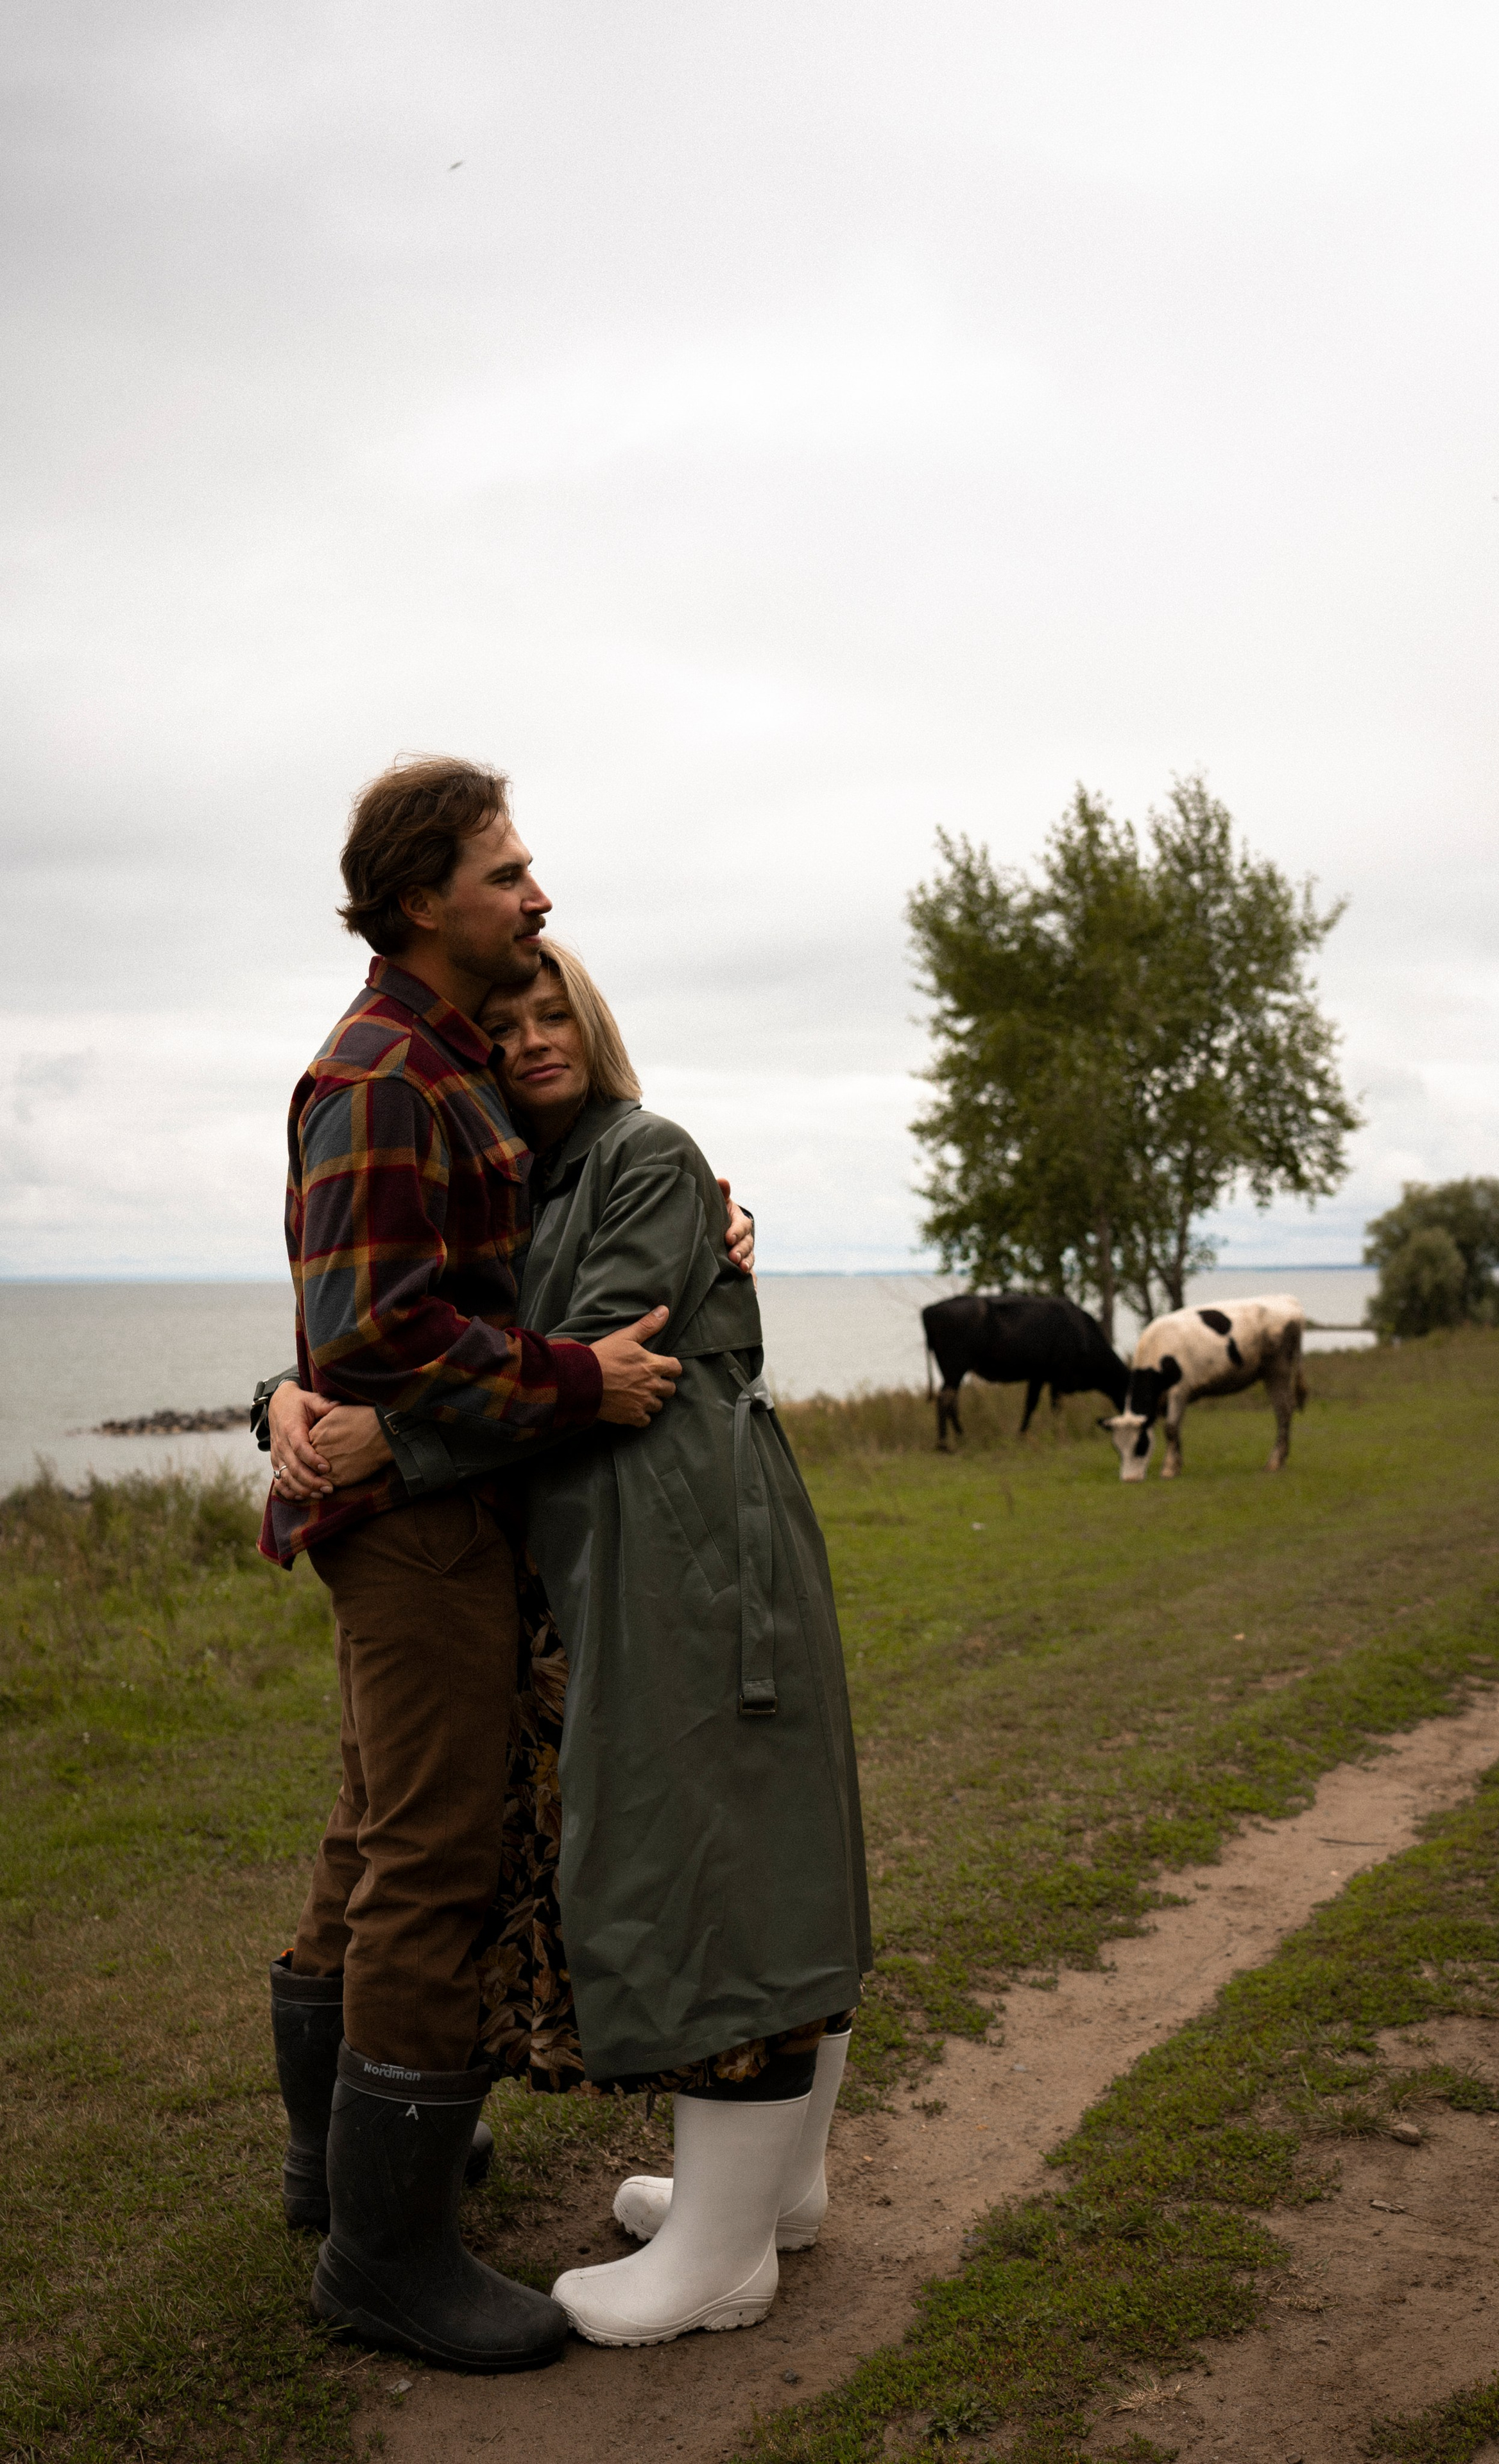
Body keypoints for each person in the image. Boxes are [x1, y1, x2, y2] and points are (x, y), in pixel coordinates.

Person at [298, 938, 873, 2348]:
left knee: (731, 1858)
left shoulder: (645, 1155)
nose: (534, 1038)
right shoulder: (526, 1180)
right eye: (504, 1023)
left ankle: (726, 2253)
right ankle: (773, 2196)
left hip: (691, 1550)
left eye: (556, 1012)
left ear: (594, 1022)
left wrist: (386, 1439)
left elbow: (581, 1357)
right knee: (722, 1849)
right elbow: (458, 1340)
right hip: (630, 1550)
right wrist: (291, 1394)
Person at [257, 753, 753, 2377]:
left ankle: (334, 2170)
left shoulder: (452, 1062)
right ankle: (385, 2256)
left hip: (439, 1509)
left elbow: (476, 1266)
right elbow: (374, 1335)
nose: (538, 896)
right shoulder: (384, 1074)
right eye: (507, 872)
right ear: (421, 899)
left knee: (374, 1828)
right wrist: (575, 1381)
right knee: (434, 1858)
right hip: (413, 1535)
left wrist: (696, 1215)